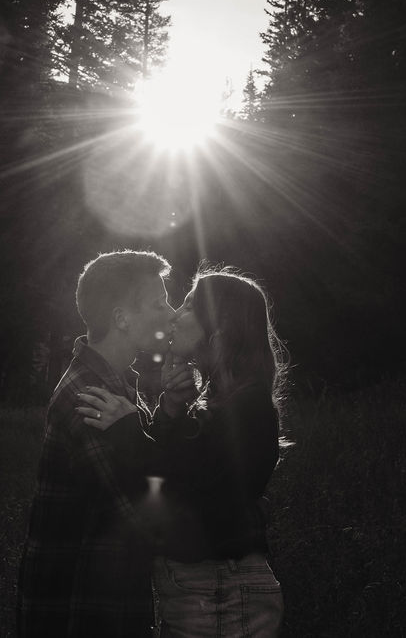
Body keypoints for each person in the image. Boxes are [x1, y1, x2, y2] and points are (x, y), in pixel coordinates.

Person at [77, 267, 286, 637]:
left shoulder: (249, 407)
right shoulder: (218, 402)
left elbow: (179, 482)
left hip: (222, 588)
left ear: (219, 330)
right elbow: (175, 472)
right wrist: (172, 409)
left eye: (188, 306)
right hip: (207, 588)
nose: (174, 314)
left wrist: (127, 428)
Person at [17, 249, 174, 636]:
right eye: (159, 303)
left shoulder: (113, 385)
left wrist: (168, 412)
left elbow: (139, 464)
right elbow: (141, 514)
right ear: (121, 317)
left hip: (102, 604)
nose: (170, 313)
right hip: (82, 613)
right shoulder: (90, 398)